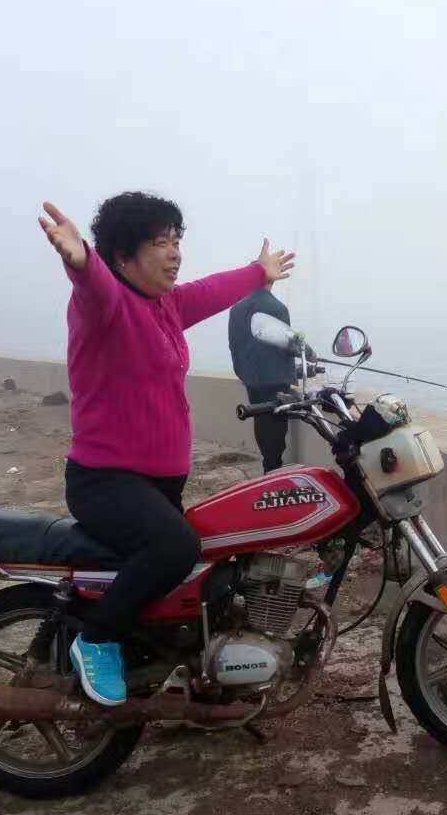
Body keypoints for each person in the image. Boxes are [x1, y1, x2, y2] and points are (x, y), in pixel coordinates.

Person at [39, 193, 294, 707]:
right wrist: (81, 261)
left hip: (157, 484)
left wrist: (258, 273)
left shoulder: (167, 305)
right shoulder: (107, 306)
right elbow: (95, 287)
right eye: (159, 242)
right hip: (105, 482)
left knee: (200, 572)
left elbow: (212, 290)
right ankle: (96, 639)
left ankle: (177, 675)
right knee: (176, 549)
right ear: (122, 256)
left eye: (177, 240)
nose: (174, 253)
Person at [228, 283, 298, 473]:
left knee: (260, 420)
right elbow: (287, 343)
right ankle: (272, 468)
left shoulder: (237, 309)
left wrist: (242, 372)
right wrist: (305, 353)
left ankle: (269, 464)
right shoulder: (278, 308)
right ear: (270, 281)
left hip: (252, 378)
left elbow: (233, 345)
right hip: (276, 378)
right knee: (276, 427)